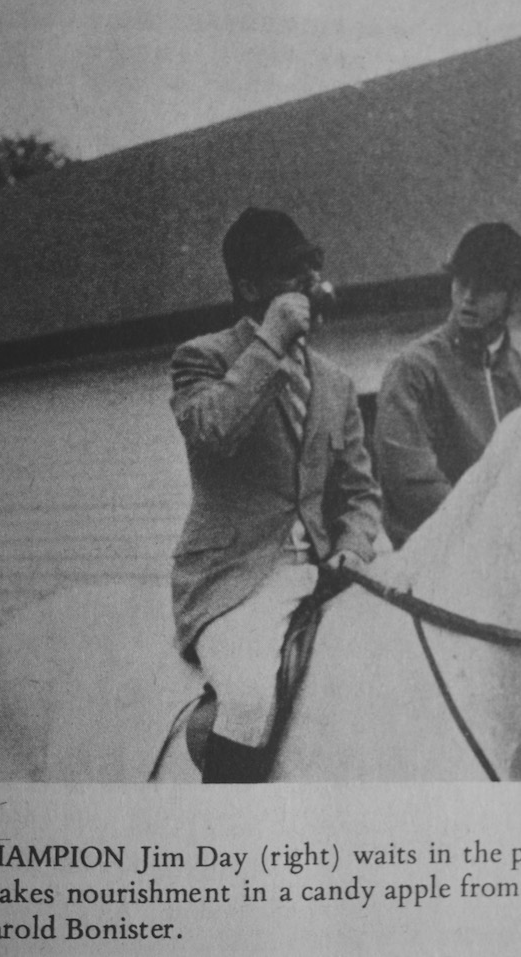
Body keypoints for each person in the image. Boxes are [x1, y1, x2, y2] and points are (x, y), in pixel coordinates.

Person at [170, 207, 382, 783]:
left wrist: (354, 547)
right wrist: (270, 341)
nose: (310, 287)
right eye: (293, 276)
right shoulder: (202, 358)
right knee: (246, 697)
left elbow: (361, 492)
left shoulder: (336, 382)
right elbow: (214, 432)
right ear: (250, 287)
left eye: (312, 270)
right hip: (235, 580)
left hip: (322, 573)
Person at [374, 222, 521, 547]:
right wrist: (489, 536)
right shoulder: (414, 370)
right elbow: (410, 481)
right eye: (461, 283)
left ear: (515, 298)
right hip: (435, 559)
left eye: (484, 289)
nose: (468, 298)